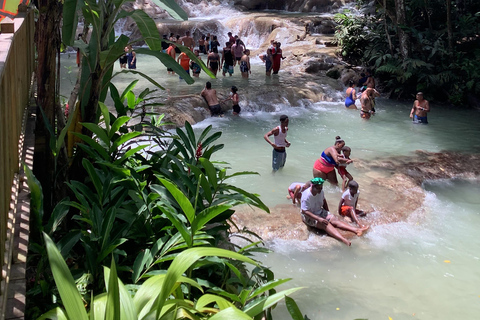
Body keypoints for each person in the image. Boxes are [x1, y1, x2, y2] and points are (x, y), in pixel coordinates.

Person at [301, 178, 368, 246]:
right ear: (313, 186)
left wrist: (327, 213)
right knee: (325, 224)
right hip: (308, 216)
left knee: (333, 219)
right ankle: (343, 239)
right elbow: (304, 211)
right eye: (318, 188)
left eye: (321, 187)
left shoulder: (320, 192)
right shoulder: (306, 196)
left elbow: (324, 201)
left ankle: (356, 230)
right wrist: (319, 219)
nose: (320, 189)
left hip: (319, 211)